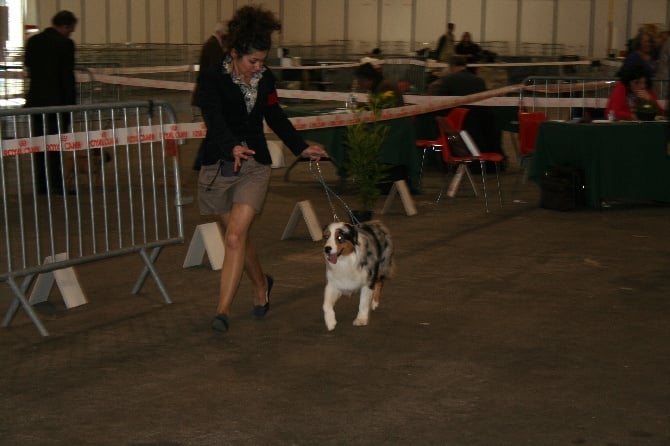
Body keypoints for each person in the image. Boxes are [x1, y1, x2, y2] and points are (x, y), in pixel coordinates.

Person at [197, 5, 329, 334]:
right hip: (220, 163)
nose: (258, 67)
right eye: (252, 61)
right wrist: (230, 145)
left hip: (255, 165)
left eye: (262, 61)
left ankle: (223, 311)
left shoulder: (265, 79)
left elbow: (275, 117)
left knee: (234, 237)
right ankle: (261, 284)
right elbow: (212, 118)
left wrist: (300, 147)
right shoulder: (212, 77)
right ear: (234, 53)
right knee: (237, 239)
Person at [24, 10, 78, 194]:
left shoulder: (33, 41)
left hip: (36, 101)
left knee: (39, 144)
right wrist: (72, 104)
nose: (71, 32)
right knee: (55, 144)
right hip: (58, 102)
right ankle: (55, 184)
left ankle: (41, 185)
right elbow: (67, 76)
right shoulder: (66, 44)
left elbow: (29, 68)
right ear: (66, 26)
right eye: (71, 29)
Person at [191, 21, 227, 170]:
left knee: (212, 130)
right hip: (207, 96)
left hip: (206, 95)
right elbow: (217, 68)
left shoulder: (212, 45)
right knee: (213, 130)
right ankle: (201, 161)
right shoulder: (213, 46)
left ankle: (201, 161)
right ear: (222, 34)